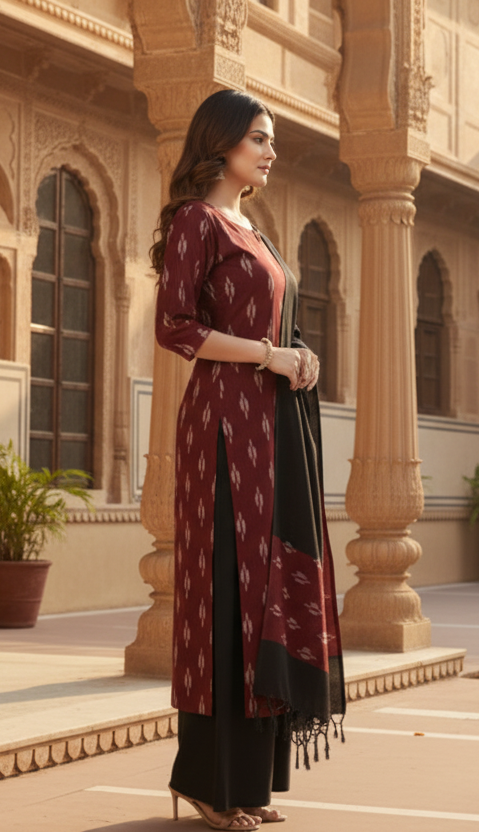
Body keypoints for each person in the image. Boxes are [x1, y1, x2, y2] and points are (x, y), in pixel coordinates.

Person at [151, 88, 345, 832]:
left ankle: (251, 783)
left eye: (271, 140)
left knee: (268, 588)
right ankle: (207, 781)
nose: (270, 151)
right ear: (222, 143)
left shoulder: (252, 228)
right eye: (260, 138)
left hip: (275, 426)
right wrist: (272, 355)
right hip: (226, 428)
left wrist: (298, 359)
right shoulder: (197, 223)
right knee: (227, 597)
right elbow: (176, 327)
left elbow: (273, 323)